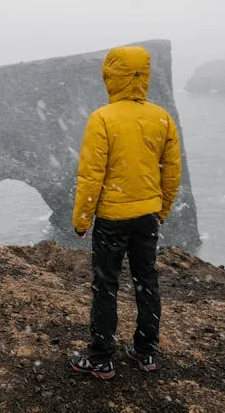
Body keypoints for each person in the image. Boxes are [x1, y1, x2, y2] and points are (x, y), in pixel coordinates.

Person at [68, 46, 181, 380]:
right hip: (147, 216)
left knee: (106, 286)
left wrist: (82, 220)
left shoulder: (103, 118)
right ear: (144, 76)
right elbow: (171, 171)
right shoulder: (161, 117)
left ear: (111, 75)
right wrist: (162, 210)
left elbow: (91, 175)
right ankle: (145, 353)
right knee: (146, 280)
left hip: (112, 217)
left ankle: (101, 358)